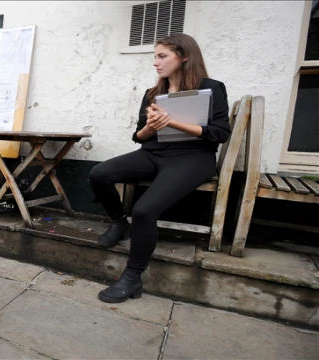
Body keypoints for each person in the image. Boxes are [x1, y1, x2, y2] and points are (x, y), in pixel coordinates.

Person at [88, 34, 231, 303]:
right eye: (155, 56)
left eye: (162, 56)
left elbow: (221, 134)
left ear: (184, 56)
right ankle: (119, 221)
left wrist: (174, 123)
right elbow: (138, 137)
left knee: (144, 210)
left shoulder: (211, 88)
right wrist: (149, 128)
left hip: (194, 158)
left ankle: (132, 278)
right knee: (100, 173)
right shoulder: (153, 94)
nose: (155, 62)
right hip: (154, 152)